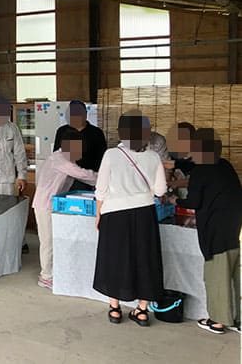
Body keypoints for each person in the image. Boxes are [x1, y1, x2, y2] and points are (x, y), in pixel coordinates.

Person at [93, 110, 167, 327]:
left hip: (114, 214)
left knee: (114, 259)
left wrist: (98, 214)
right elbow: (160, 191)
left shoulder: (111, 155)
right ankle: (142, 310)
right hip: (145, 213)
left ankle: (115, 308)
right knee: (145, 259)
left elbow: (101, 189)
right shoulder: (153, 156)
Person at [175, 129, 242, 335]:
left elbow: (194, 201)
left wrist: (175, 200)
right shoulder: (224, 165)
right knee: (235, 273)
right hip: (234, 225)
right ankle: (238, 319)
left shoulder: (201, 170)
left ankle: (219, 320)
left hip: (216, 229)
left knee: (217, 275)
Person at [33, 128, 97, 289]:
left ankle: (54, 271)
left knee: (55, 240)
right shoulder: (60, 159)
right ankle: (45, 276)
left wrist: (100, 185)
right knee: (47, 241)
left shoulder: (66, 159)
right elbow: (82, 174)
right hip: (44, 204)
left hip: (53, 204)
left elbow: (84, 177)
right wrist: (103, 178)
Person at [53, 100, 107, 190]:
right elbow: (57, 154)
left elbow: (102, 158)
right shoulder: (62, 131)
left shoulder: (96, 133)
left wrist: (99, 179)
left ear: (85, 114)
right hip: (65, 178)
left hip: (89, 180)